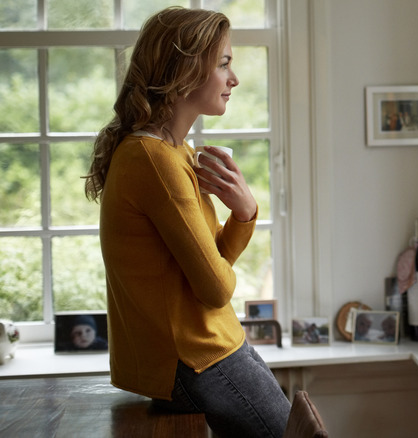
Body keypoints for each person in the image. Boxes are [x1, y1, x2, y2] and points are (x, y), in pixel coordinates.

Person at [84, 7, 290, 437]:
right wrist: (244, 214)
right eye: (224, 64)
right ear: (184, 71)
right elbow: (216, 288)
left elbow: (208, 263)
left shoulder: (173, 153)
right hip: (196, 358)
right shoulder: (155, 160)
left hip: (208, 349)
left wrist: (244, 213)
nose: (234, 79)